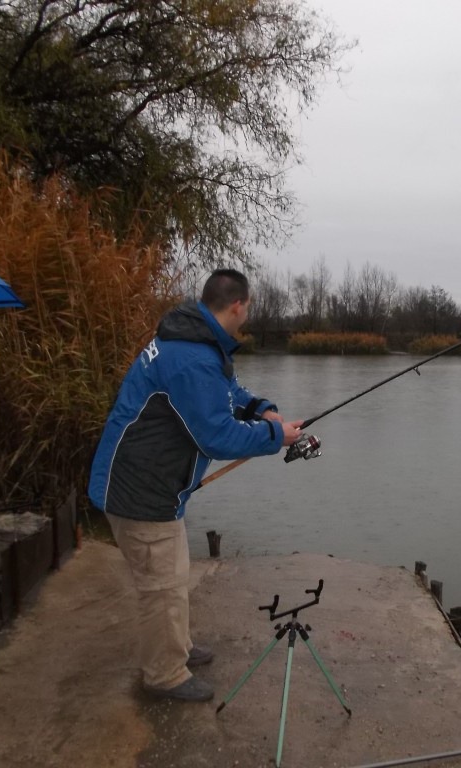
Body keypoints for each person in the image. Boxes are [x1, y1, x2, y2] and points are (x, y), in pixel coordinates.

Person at [88, 268, 304, 702]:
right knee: (161, 587)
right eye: (249, 307)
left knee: (173, 574)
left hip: (157, 488)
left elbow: (225, 392)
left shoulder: (198, 343)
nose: (247, 314)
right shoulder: (192, 357)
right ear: (239, 305)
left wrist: (261, 408)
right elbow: (217, 435)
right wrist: (276, 437)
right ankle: (164, 675)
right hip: (140, 492)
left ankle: (178, 647)